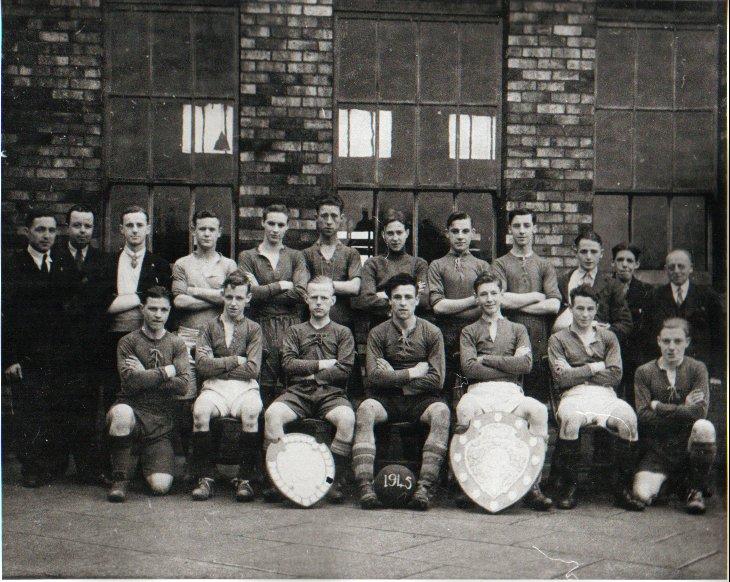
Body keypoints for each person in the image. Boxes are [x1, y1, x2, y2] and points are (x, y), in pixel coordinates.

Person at [354, 273, 449, 511]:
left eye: (408, 297)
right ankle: (365, 486)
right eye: (397, 297)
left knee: (441, 412)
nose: (403, 302)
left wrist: (395, 378)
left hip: (421, 400)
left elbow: (437, 379)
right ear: (390, 301)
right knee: (365, 409)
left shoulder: (431, 332)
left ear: (417, 300)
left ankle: (425, 487)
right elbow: (374, 378)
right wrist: (413, 373)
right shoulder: (378, 333)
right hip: (386, 401)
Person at [457, 272, 552, 510]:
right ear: (476, 298)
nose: (489, 299)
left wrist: (487, 359)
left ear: (501, 295)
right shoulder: (469, 331)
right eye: (483, 294)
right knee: (464, 408)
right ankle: (467, 487)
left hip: (511, 392)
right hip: (479, 392)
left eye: (493, 293)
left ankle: (533, 485)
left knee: (538, 410)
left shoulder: (518, 329)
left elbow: (525, 365)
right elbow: (469, 369)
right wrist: (507, 366)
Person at [547, 284, 644, 511]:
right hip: (573, 396)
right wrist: (593, 368)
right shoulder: (558, 339)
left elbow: (615, 375)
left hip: (605, 395)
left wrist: (576, 373)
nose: (585, 314)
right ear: (570, 308)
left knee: (628, 419)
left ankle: (621, 489)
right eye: (579, 308)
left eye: (590, 309)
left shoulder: (608, 337)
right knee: (571, 420)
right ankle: (569, 488)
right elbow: (561, 380)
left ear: (596, 309)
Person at [2, 208, 79, 487]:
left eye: (51, 230)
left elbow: (70, 309)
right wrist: (9, 358)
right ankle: (31, 467)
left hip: (58, 353)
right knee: (28, 411)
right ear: (27, 232)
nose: (46, 236)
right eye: (40, 230)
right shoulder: (13, 265)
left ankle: (53, 465)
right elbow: (7, 315)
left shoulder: (62, 262)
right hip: (26, 354)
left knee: (55, 407)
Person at [263, 276, 356, 503]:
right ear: (306, 299)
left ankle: (332, 480)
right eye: (313, 297)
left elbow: (344, 369)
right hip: (298, 392)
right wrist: (323, 364)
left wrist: (310, 372)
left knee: (347, 419)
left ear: (333, 300)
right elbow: (288, 365)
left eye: (324, 298)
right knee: (272, 415)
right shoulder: (295, 331)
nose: (318, 302)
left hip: (331, 394)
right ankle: (278, 479)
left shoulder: (343, 332)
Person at [106, 286, 190, 502]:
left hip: (160, 422)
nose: (158, 315)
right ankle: (120, 479)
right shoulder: (127, 342)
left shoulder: (177, 343)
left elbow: (182, 385)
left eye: (163, 310)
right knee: (121, 414)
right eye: (153, 309)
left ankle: (141, 459)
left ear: (170, 311)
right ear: (143, 309)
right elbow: (130, 382)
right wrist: (167, 371)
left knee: (161, 487)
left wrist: (145, 374)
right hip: (132, 411)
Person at [188, 271, 263, 502]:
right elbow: (201, 366)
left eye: (239, 298)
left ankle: (245, 479)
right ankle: (205, 477)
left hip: (245, 387)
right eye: (229, 297)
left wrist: (217, 364)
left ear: (248, 298)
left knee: (251, 412)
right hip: (215, 388)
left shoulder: (254, 329)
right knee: (200, 412)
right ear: (222, 295)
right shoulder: (209, 327)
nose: (233, 303)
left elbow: (253, 369)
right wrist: (234, 360)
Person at [172, 210, 238, 459]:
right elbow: (179, 301)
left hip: (218, 338)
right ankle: (189, 459)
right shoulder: (182, 264)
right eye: (202, 229)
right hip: (188, 335)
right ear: (194, 231)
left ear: (219, 233)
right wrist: (215, 297)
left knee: (215, 394)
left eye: (212, 229)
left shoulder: (229, 265)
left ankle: (211, 458)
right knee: (186, 395)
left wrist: (194, 290)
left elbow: (231, 299)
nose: (207, 234)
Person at [632, 318, 716, 514]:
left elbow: (699, 412)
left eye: (678, 341)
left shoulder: (697, 369)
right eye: (666, 341)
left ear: (687, 342)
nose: (672, 347)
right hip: (658, 449)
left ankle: (695, 487)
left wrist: (658, 406)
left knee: (704, 427)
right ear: (658, 341)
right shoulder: (644, 372)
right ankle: (673, 484)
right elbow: (643, 416)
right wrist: (683, 408)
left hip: (688, 445)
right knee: (641, 495)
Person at [101, 205, 172, 408]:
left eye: (139, 225)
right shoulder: (107, 263)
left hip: (147, 339)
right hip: (113, 337)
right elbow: (102, 304)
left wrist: (121, 299)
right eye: (129, 225)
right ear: (121, 229)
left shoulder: (159, 265)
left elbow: (162, 303)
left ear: (148, 229)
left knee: (145, 395)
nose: (134, 230)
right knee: (114, 395)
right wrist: (140, 297)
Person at [238, 204, 309, 403]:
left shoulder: (296, 256)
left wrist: (262, 290)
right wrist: (279, 285)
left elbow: (300, 293)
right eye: (271, 223)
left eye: (280, 224)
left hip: (292, 326)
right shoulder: (248, 257)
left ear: (287, 226)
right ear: (263, 223)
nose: (275, 229)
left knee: (293, 384)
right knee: (261, 386)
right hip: (260, 326)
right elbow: (247, 294)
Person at [60, 204, 109, 483]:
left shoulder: (101, 261)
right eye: (77, 225)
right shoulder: (55, 258)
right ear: (68, 227)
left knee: (88, 408)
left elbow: (102, 301)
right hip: (61, 347)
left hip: (90, 348)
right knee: (59, 405)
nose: (82, 231)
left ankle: (87, 467)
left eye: (87, 226)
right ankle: (53, 463)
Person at [492, 209, 561, 401]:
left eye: (526, 225)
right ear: (509, 230)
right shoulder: (500, 264)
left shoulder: (544, 265)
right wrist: (536, 296)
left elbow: (553, 305)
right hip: (508, 339)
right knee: (509, 399)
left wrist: (516, 304)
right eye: (516, 226)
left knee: (536, 400)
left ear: (534, 229)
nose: (522, 231)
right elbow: (500, 300)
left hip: (538, 340)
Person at [428, 212, 491, 394]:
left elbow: (487, 304)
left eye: (465, 231)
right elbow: (439, 306)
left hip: (476, 334)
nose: (460, 236)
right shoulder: (437, 265)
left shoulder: (482, 266)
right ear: (447, 233)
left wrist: (455, 306)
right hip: (446, 334)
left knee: (474, 387)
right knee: (444, 387)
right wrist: (473, 299)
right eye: (455, 231)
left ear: (472, 233)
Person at [639, 249, 724, 383]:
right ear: (666, 269)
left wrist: (716, 374)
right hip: (664, 371)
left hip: (699, 370)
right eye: (672, 267)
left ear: (691, 268)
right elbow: (646, 338)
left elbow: (719, 338)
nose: (677, 270)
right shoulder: (654, 297)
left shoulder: (708, 297)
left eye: (681, 266)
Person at [352, 210, 429, 329]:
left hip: (412, 328)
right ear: (383, 235)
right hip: (380, 326)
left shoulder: (419, 264)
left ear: (407, 233)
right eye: (390, 233)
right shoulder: (373, 264)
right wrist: (407, 296)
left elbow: (423, 299)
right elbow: (365, 300)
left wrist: (382, 294)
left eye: (399, 232)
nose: (395, 238)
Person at [554, 229, 632, 345]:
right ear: (575, 252)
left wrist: (605, 331)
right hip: (566, 345)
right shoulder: (563, 282)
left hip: (597, 349)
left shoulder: (612, 285)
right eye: (584, 251)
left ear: (601, 253)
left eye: (594, 252)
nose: (589, 257)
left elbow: (625, 324)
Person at [302, 194, 362, 329]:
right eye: (324, 216)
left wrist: (318, 285)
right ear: (316, 218)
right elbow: (303, 287)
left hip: (343, 325)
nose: (329, 221)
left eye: (334, 216)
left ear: (341, 219)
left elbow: (355, 287)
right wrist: (340, 286)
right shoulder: (305, 254)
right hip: (311, 326)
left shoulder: (351, 254)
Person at [611, 242, 654, 401]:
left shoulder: (646, 291)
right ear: (612, 263)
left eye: (629, 261)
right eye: (620, 260)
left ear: (637, 264)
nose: (624, 265)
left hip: (636, 357)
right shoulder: (604, 288)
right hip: (610, 354)